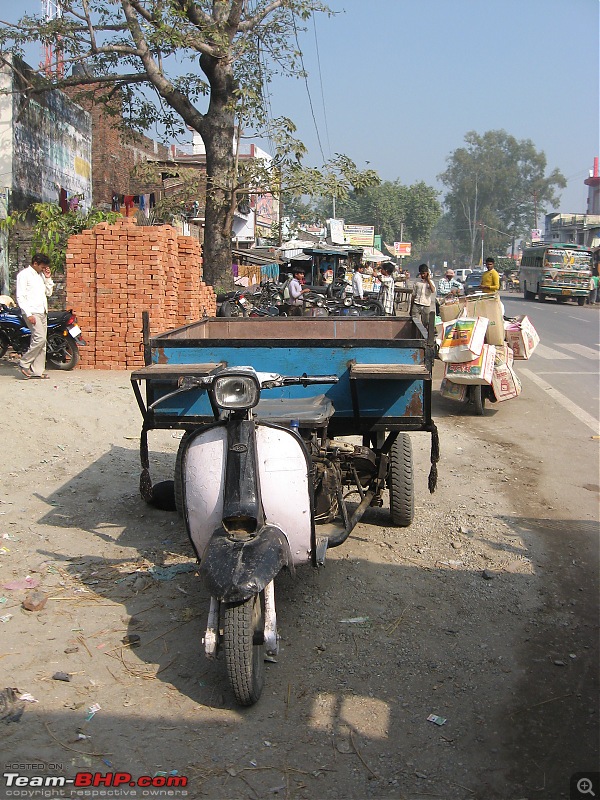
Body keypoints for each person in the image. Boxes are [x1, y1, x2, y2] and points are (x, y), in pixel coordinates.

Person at [16, 253, 54, 379]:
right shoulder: (24, 275)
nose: (43, 269)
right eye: (42, 266)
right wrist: (28, 314)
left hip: (42, 310)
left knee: (42, 342)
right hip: (32, 311)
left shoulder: (41, 276)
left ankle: (37, 371)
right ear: (35, 263)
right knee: (40, 338)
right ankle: (24, 363)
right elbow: (20, 296)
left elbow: (48, 293)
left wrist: (48, 278)